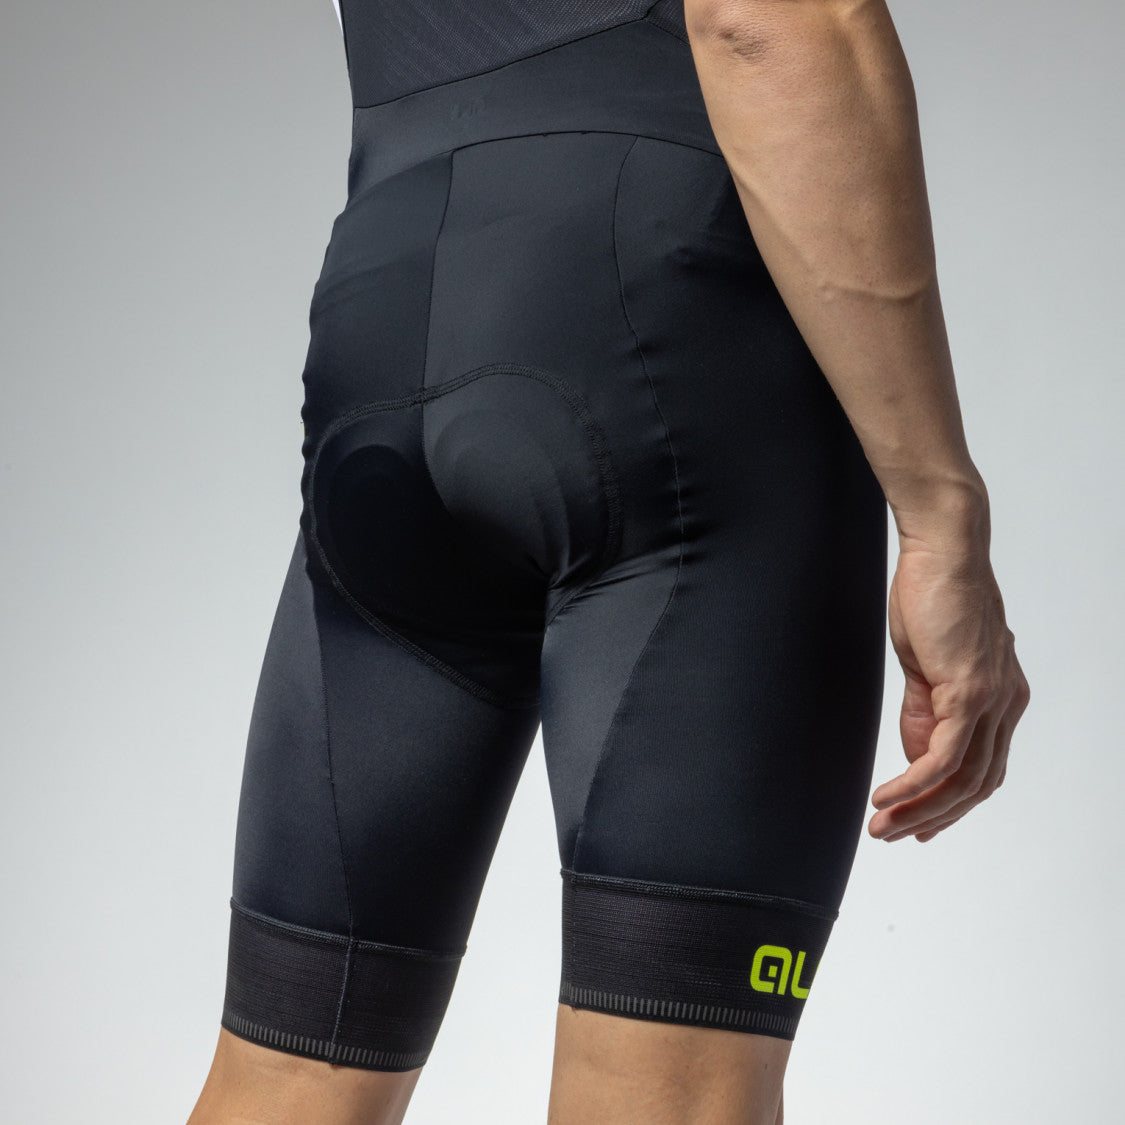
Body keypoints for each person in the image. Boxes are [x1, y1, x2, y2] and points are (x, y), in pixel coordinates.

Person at [187, 0, 1030, 1122]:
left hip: (388, 309)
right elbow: (771, 20)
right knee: (670, 1093)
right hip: (664, 333)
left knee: (287, 1075)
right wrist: (940, 515)